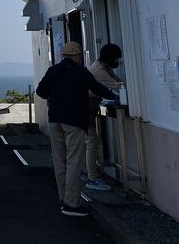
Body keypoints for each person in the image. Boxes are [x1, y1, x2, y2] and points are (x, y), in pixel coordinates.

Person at [36, 41, 119, 217]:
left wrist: (55, 96)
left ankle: (62, 198)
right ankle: (71, 204)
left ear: (63, 55)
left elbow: (40, 92)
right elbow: (98, 88)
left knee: (60, 161)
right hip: (74, 122)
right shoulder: (81, 72)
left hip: (54, 120)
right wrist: (116, 96)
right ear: (77, 56)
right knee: (74, 162)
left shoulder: (53, 71)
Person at [84, 44, 122, 191]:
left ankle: (87, 172)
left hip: (89, 106)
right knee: (91, 142)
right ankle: (92, 178)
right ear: (110, 57)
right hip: (87, 107)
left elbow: (116, 81)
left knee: (90, 142)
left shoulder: (102, 66)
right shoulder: (99, 71)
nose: (117, 61)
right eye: (116, 58)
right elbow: (117, 85)